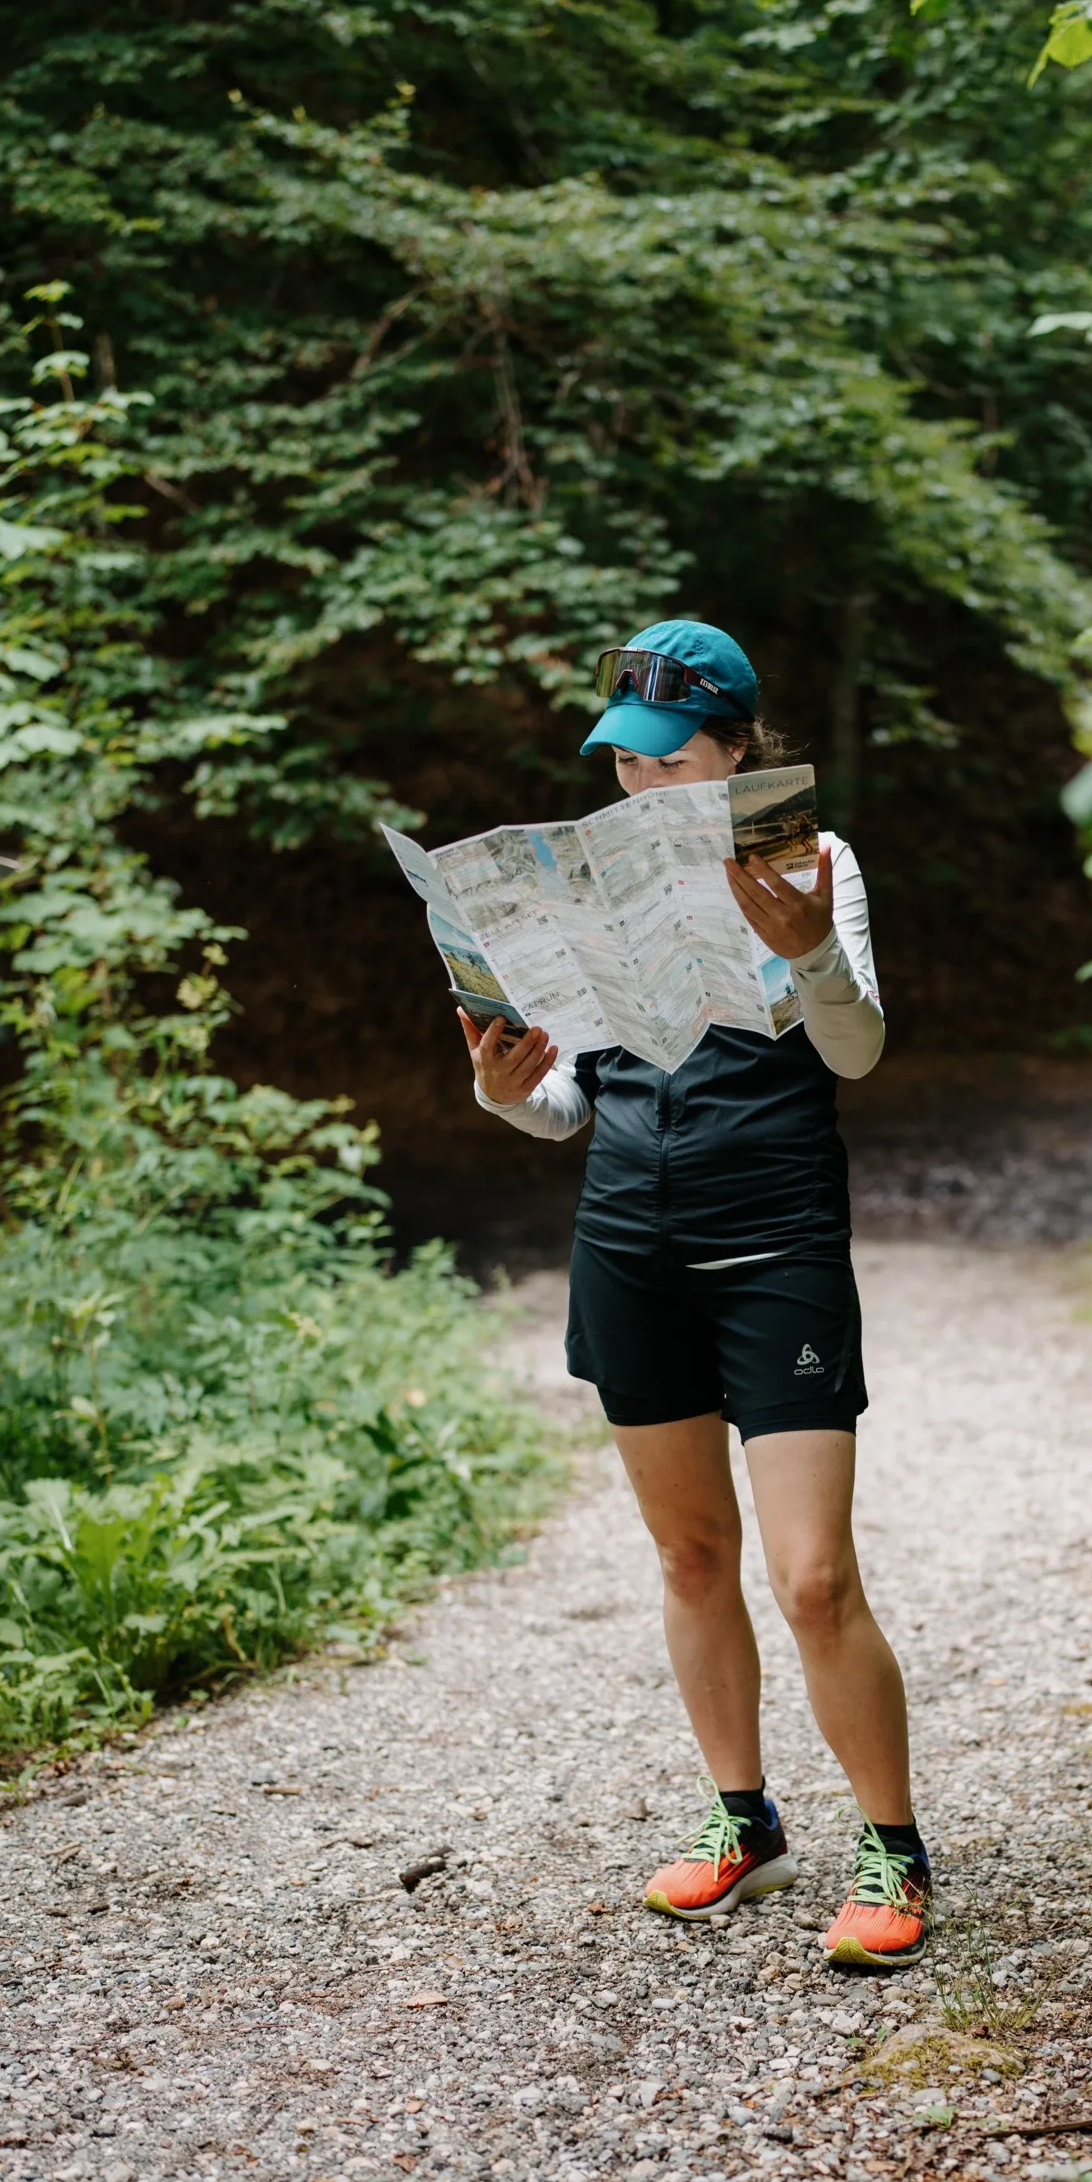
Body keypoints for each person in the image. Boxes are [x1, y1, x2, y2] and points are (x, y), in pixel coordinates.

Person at [459, 618, 930, 1969]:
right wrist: (507, 1094)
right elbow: (571, 1105)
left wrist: (812, 949)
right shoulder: (579, 889)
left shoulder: (814, 864)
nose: (645, 786)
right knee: (688, 1558)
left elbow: (858, 1050)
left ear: (737, 749)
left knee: (814, 1576)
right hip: (628, 1245)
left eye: (673, 763)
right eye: (628, 765)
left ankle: (893, 1846)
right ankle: (744, 1819)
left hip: (774, 1240)